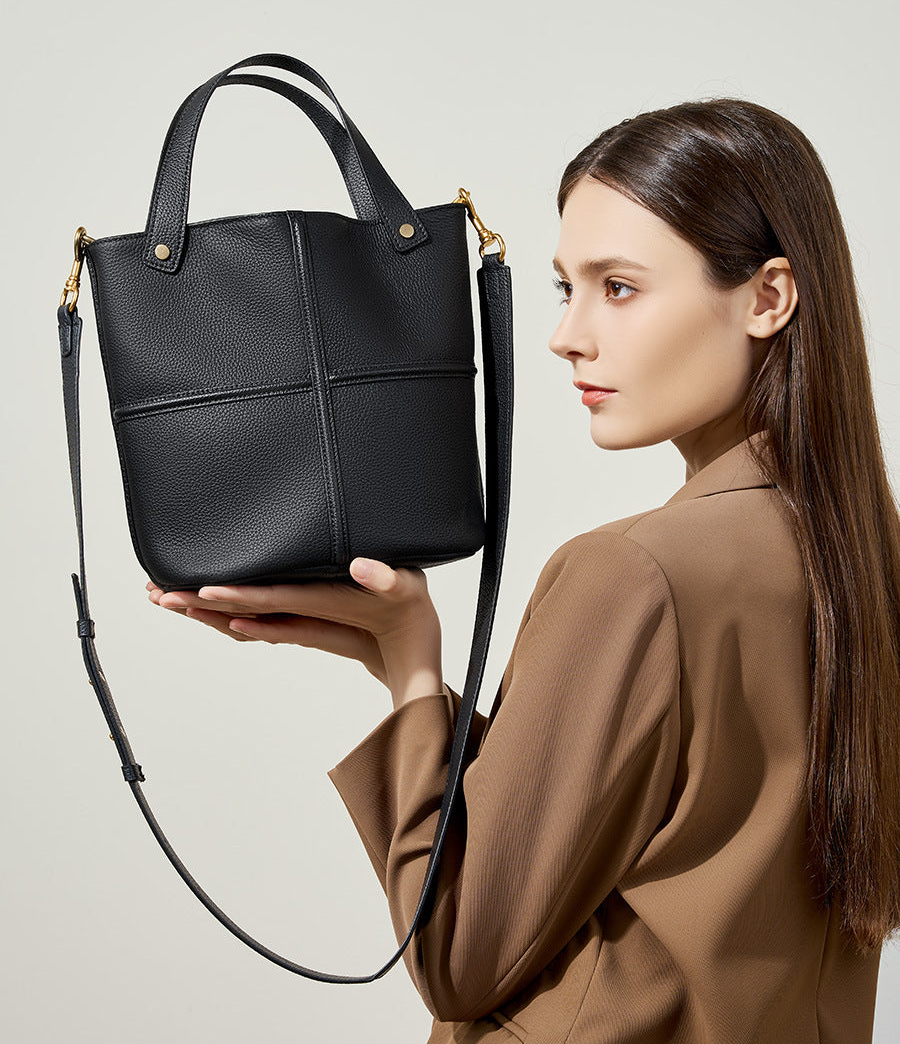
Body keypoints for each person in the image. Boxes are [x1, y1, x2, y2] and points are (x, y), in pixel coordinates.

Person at [148, 97, 900, 1043]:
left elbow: (456, 957)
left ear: (767, 298)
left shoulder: (635, 576)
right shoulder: (862, 560)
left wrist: (412, 670)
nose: (567, 336)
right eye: (563, 288)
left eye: (619, 287)